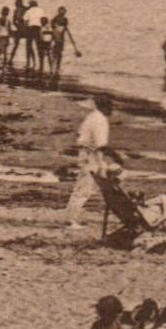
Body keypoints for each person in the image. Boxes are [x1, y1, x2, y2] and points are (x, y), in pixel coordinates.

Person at [66, 97, 113, 230]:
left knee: (84, 188)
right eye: (110, 107)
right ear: (104, 107)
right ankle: (70, 221)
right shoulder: (100, 120)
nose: (112, 110)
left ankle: (70, 218)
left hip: (85, 153)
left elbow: (81, 136)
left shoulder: (92, 116)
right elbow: (100, 145)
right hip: (91, 156)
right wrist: (102, 162)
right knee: (83, 189)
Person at [50, 7, 78, 75]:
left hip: (61, 38)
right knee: (54, 52)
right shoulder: (55, 18)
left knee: (59, 53)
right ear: (59, 12)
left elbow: (65, 27)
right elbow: (52, 26)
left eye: (63, 12)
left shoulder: (65, 19)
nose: (63, 13)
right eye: (61, 12)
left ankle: (57, 67)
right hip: (55, 37)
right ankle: (53, 67)